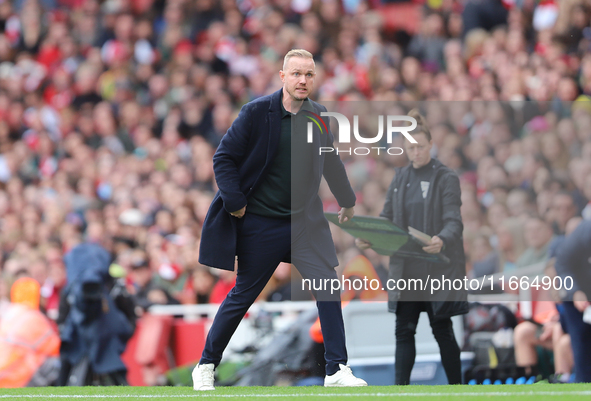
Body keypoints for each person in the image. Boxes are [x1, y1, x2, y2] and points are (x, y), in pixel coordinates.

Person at [192, 49, 367, 390]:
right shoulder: (256, 112)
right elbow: (223, 157)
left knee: (328, 288)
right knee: (243, 295)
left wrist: (347, 200)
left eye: (309, 74)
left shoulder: (319, 116)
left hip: (304, 224)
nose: (303, 80)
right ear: (283, 76)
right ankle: (206, 365)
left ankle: (336, 370)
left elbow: (331, 163)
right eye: (297, 73)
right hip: (261, 222)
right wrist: (235, 202)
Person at [357, 109, 468, 385]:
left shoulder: (446, 177)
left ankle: (458, 389)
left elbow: (454, 220)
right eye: (409, 147)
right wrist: (369, 237)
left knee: (442, 329)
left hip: (437, 267)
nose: (415, 152)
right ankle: (400, 391)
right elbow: (387, 218)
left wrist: (441, 239)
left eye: (419, 146)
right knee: (403, 332)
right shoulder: (399, 178)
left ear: (431, 144)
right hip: (406, 268)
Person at [554, 220, 591, 383]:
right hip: (577, 294)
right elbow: (562, 264)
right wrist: (575, 291)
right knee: (582, 346)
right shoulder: (584, 231)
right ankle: (583, 385)